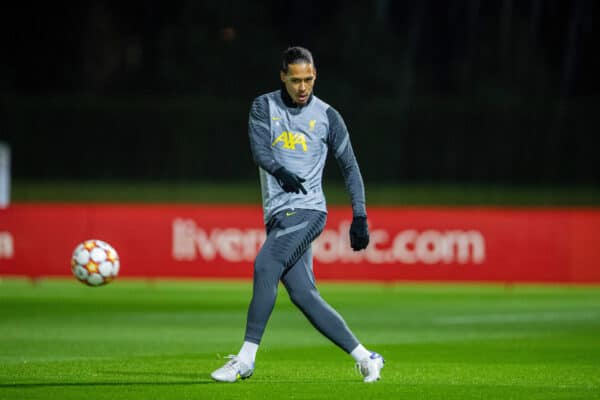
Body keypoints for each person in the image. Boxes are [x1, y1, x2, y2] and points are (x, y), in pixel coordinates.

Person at [211, 46, 384, 383]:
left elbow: (350, 167)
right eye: (295, 80)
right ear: (283, 78)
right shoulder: (264, 106)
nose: (303, 87)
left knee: (265, 265)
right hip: (278, 213)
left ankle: (245, 359)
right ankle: (366, 357)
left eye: (308, 79)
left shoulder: (328, 116)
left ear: (315, 76)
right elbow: (259, 149)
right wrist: (279, 170)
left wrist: (360, 216)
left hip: (307, 210)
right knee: (304, 295)